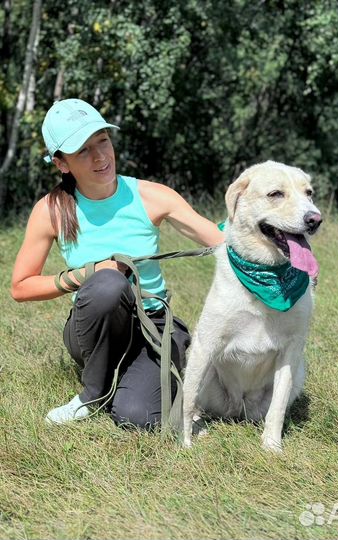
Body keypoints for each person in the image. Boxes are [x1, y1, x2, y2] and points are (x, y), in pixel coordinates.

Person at [11, 98, 224, 428]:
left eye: (103, 141)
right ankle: (93, 392)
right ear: (61, 163)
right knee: (108, 285)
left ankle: (138, 377)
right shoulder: (51, 210)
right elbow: (20, 287)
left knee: (137, 419)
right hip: (92, 328)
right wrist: (84, 275)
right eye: (83, 150)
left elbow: (222, 242)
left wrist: (288, 252)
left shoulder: (153, 196)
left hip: (152, 325)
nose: (100, 156)